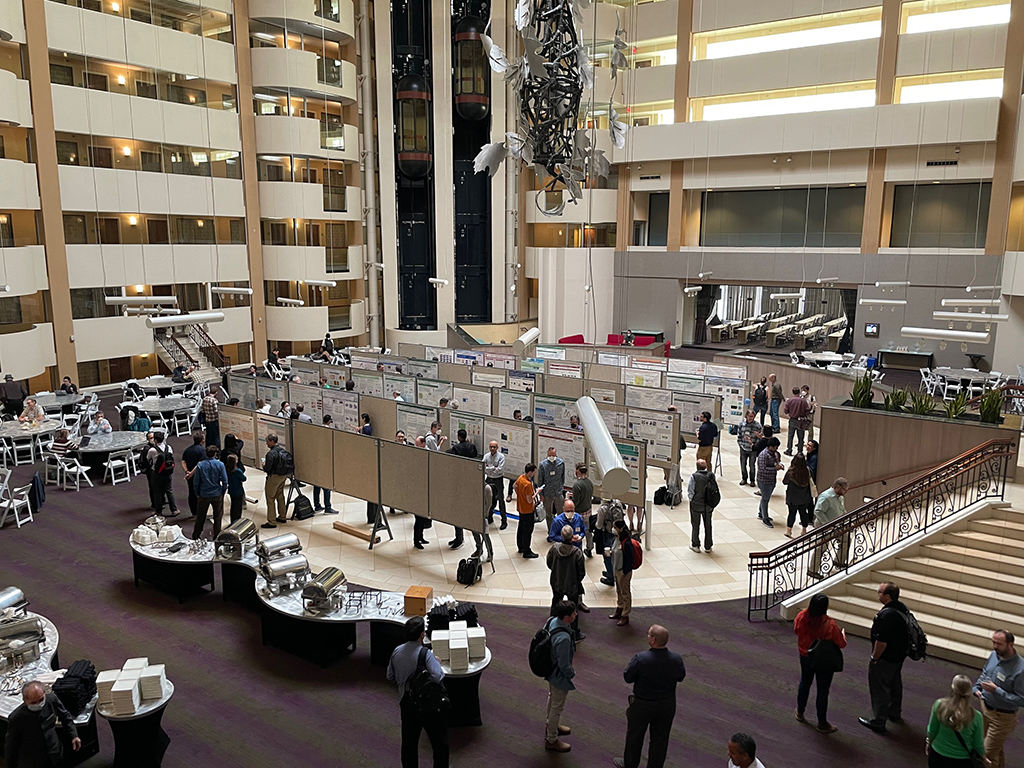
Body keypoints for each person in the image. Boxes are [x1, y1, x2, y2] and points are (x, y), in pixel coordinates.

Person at [613, 625, 686, 768]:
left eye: (649, 634)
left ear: (653, 640)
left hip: (642, 704)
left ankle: (630, 764)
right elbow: (681, 676)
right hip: (667, 703)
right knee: (660, 739)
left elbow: (628, 677)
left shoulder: (641, 658)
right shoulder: (676, 658)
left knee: (635, 736)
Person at [386, 616, 448, 768]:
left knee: (409, 744)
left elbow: (390, 676)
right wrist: (436, 662)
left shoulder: (397, 651)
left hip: (406, 704)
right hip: (428, 706)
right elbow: (438, 676)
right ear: (422, 635)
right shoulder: (425, 654)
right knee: (439, 743)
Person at [859, 581, 911, 734]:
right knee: (895, 682)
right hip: (899, 655)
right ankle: (894, 712)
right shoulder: (901, 608)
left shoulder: (886, 616)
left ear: (887, 596)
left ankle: (878, 721)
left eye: (879, 592)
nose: (877, 593)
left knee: (879, 687)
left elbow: (881, 642)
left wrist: (874, 658)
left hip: (886, 658)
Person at [794, 594, 847, 733]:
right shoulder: (829, 624)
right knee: (823, 690)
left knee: (805, 682)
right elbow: (841, 644)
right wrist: (843, 636)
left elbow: (796, 630)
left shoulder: (801, 616)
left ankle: (800, 712)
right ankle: (822, 723)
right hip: (823, 660)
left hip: (805, 655)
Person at [974, 628, 1024, 768]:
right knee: (995, 751)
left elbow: (1022, 700)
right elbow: (986, 673)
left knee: (984, 754)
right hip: (985, 709)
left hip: (1003, 718)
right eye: (993, 642)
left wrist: (997, 691)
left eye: (999, 644)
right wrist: (976, 688)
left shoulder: (1021, 669)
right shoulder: (993, 655)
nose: (995, 646)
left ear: (1011, 645)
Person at [4, 680, 81, 768]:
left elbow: (65, 716)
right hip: (33, 761)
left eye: (41, 699)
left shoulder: (51, 699)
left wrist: (74, 735)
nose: (38, 704)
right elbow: (11, 745)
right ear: (25, 701)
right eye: (33, 702)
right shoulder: (16, 718)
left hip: (55, 753)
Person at [544, 600, 579, 752]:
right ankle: (552, 739)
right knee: (557, 706)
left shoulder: (552, 621)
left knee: (552, 699)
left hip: (550, 670)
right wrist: (571, 673)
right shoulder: (563, 639)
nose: (576, 615)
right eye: (573, 613)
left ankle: (551, 724)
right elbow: (564, 664)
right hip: (558, 675)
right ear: (567, 618)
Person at [930, 675, 987, 768]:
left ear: (952, 690)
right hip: (962, 761)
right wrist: (983, 757)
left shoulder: (939, 705)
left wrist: (929, 742)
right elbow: (978, 743)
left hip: (937, 755)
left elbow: (932, 730)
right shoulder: (976, 716)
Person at [547, 526, 586, 641]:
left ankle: (551, 628)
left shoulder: (554, 549)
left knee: (555, 603)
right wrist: (576, 580)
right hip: (572, 585)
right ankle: (574, 633)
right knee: (573, 607)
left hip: (557, 581)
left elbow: (549, 563)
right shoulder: (577, 553)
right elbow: (581, 572)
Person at [810, 478, 850, 575]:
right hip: (824, 525)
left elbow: (842, 510)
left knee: (846, 539)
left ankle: (839, 560)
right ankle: (812, 570)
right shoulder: (826, 496)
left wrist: (847, 519)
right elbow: (818, 511)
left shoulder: (840, 497)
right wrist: (827, 524)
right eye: (844, 489)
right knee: (821, 547)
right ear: (837, 487)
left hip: (837, 525)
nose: (846, 491)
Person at [188, 445, 228, 540]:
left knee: (200, 517)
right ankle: (217, 536)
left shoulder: (201, 465)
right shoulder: (220, 465)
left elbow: (196, 481)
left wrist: (197, 493)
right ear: (215, 454)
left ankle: (196, 535)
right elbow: (225, 480)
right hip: (217, 493)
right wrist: (223, 491)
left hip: (204, 494)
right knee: (217, 517)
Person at [686, 458, 717, 553]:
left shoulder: (694, 477)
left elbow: (690, 490)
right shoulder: (711, 475)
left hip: (696, 504)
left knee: (695, 524)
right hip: (708, 505)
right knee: (708, 525)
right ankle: (708, 546)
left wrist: (692, 500)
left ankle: (696, 545)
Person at [147, 431, 178, 517]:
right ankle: (174, 509)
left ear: (156, 440)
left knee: (157, 492)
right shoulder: (169, 448)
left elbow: (148, 458)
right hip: (168, 472)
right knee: (169, 490)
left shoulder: (152, 450)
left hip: (156, 473)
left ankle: (159, 511)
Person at [783, 453, 814, 538]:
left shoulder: (791, 472)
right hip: (804, 497)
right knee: (803, 513)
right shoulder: (808, 471)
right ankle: (804, 530)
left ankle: (789, 531)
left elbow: (784, 482)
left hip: (793, 497)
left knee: (791, 513)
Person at [262, 433, 289, 529]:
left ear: (272, 441)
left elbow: (267, 468)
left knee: (270, 498)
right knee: (280, 496)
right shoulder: (282, 450)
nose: (266, 443)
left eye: (268, 441)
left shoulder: (270, 454)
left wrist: (263, 465)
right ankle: (282, 516)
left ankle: (271, 521)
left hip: (274, 477)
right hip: (283, 476)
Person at [755, 437, 784, 527]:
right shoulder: (763, 455)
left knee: (765, 497)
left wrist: (780, 465)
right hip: (764, 480)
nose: (776, 449)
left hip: (771, 479)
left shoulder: (774, 453)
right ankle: (765, 518)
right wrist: (775, 468)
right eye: (775, 447)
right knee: (765, 499)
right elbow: (763, 469)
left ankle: (761, 513)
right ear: (770, 446)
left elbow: (776, 462)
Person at [596, 499, 625, 587]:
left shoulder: (603, 508)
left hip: (607, 533)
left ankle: (610, 577)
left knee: (607, 555)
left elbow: (599, 525)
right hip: (616, 533)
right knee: (614, 554)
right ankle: (613, 573)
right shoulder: (618, 503)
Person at [610, 520, 634, 626]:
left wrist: (625, 571)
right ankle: (619, 608)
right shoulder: (617, 539)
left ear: (620, 529)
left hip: (623, 572)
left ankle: (625, 614)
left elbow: (630, 559)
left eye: (614, 527)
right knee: (619, 590)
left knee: (625, 593)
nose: (613, 529)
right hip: (616, 569)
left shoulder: (627, 543)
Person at [514, 463, 539, 558]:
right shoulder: (528, 484)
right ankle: (527, 551)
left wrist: (520, 495)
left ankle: (520, 547)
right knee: (527, 531)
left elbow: (514, 486)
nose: (534, 474)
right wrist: (536, 493)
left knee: (521, 528)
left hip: (520, 508)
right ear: (530, 472)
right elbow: (529, 500)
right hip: (528, 510)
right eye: (533, 472)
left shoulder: (521, 478)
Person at [312, 415, 336, 514]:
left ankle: (317, 505)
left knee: (316, 487)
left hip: (317, 463)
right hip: (325, 464)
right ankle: (327, 507)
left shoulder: (318, 430)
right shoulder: (328, 433)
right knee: (326, 488)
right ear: (329, 421)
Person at [569, 464, 594, 556]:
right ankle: (589, 548)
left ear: (578, 471)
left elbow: (576, 501)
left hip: (579, 513)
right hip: (588, 510)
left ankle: (577, 550)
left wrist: (569, 500)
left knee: (577, 531)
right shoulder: (589, 482)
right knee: (588, 531)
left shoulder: (577, 485)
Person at [538, 447, 566, 530]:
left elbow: (563, 477)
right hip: (547, 493)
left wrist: (561, 489)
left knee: (561, 513)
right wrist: (541, 494)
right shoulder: (543, 465)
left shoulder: (561, 463)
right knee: (548, 514)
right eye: (550, 455)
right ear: (547, 454)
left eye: (553, 455)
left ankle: (561, 530)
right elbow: (540, 480)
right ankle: (550, 530)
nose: (552, 457)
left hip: (558, 492)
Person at [482, 440, 507, 528]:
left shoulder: (501, 457)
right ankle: (489, 517)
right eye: (491, 447)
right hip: (489, 479)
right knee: (489, 499)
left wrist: (489, 468)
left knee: (500, 499)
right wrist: (493, 468)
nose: (492, 448)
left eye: (494, 447)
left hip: (498, 480)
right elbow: (483, 468)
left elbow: (499, 469)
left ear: (497, 448)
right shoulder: (486, 456)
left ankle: (504, 521)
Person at [182, 430, 206, 518]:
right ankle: (200, 512)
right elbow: (199, 464)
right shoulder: (203, 450)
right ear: (202, 440)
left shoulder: (188, 450)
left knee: (191, 492)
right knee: (200, 494)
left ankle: (194, 512)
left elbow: (183, 461)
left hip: (189, 475)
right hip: (198, 475)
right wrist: (191, 473)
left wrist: (187, 471)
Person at [736, 410, 763, 487]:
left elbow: (759, 438)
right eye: (749, 416)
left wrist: (755, 445)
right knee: (743, 464)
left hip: (752, 449)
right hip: (743, 448)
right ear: (746, 416)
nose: (751, 418)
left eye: (752, 416)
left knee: (752, 465)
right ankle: (744, 478)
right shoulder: (742, 424)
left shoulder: (758, 425)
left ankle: (752, 480)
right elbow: (739, 436)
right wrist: (741, 445)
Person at [783, 387, 811, 456]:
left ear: (793, 392)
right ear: (799, 392)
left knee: (790, 436)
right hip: (801, 420)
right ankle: (800, 451)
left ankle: (789, 450)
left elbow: (786, 411)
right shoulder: (803, 401)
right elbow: (807, 410)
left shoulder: (789, 400)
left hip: (792, 419)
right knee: (801, 437)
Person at [224, 453, 246, 524]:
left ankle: (232, 520)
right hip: (238, 490)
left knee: (233, 506)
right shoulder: (237, 471)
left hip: (231, 490)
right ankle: (237, 522)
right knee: (238, 507)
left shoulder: (227, 469)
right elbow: (244, 478)